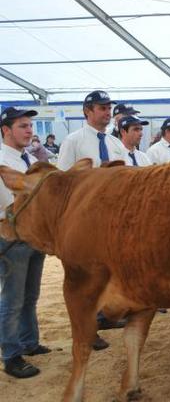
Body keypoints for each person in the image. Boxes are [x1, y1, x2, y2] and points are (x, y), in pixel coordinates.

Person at [55, 90, 128, 350]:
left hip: (114, 218)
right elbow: (61, 181)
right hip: (85, 220)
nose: (107, 112)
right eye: (101, 108)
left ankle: (104, 317)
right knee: (85, 277)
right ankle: (88, 330)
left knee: (108, 272)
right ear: (87, 111)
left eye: (109, 108)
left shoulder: (115, 143)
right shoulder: (73, 141)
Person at [0, 107, 51, 379]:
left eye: (31, 125)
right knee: (12, 299)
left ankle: (29, 342)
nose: (30, 130)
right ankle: (11, 356)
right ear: (6, 130)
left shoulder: (29, 157)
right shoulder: (1, 160)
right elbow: (9, 204)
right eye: (23, 126)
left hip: (33, 235)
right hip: (11, 237)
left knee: (30, 296)